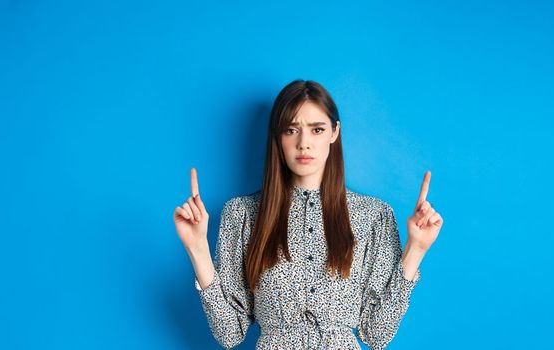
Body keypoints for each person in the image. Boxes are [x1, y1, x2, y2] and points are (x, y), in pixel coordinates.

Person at [172, 79, 443, 349]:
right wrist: (198, 250)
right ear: (277, 136)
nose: (304, 143)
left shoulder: (374, 216)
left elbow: (377, 334)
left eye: (317, 129)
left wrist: (415, 251)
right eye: (291, 130)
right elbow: (230, 333)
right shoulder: (241, 215)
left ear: (334, 132)